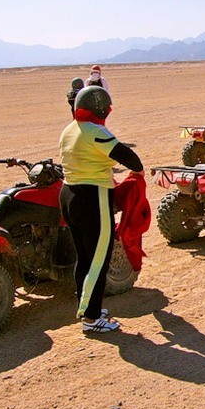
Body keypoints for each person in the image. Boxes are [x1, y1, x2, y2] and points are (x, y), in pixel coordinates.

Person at [58, 86, 143, 334]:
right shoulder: (95, 131)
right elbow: (130, 158)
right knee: (99, 259)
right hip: (92, 197)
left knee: (84, 258)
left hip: (68, 194)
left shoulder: (69, 129)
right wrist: (137, 174)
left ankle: (86, 307)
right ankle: (92, 319)